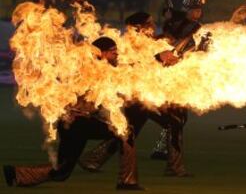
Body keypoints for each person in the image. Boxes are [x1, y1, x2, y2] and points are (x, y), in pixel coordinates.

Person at [3, 37, 145, 190]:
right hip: (76, 123)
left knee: (62, 171)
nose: (117, 55)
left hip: (77, 123)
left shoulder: (99, 68)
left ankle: (16, 174)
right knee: (125, 132)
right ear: (101, 53)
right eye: (113, 52)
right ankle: (127, 181)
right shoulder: (93, 69)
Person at [78, 12, 192, 177]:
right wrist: (157, 59)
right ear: (139, 27)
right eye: (150, 23)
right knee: (171, 122)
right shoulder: (124, 46)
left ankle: (93, 158)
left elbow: (157, 64)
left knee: (130, 131)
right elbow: (128, 69)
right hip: (132, 97)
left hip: (146, 95)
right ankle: (175, 167)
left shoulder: (152, 43)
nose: (153, 27)